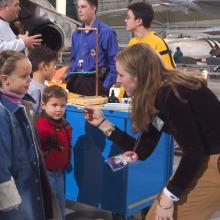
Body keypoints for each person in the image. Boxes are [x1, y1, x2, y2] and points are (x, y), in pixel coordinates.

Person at [84, 44, 220, 220]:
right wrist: (103, 124)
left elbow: (193, 153)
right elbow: (142, 150)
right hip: (205, 160)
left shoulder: (171, 94)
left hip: (212, 163)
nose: (117, 80)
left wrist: (168, 197)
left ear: (138, 75)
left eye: (121, 74)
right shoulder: (162, 95)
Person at [0, 50, 61, 220]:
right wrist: (9, 206)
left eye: (30, 75)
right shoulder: (3, 113)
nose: (30, 80)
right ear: (5, 79)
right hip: (16, 195)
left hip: (30, 184)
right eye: (24, 76)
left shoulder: (26, 105)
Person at [66, 0, 119, 96]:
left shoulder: (106, 32)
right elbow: (73, 59)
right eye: (78, 7)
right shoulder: (76, 34)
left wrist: (105, 86)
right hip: (76, 82)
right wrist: (69, 78)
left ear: (93, 8)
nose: (79, 10)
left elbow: (114, 62)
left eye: (83, 7)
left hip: (96, 83)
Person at [35, 85, 72, 220]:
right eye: (54, 105)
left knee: (59, 200)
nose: (59, 109)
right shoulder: (40, 126)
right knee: (49, 202)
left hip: (59, 171)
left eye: (62, 105)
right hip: (46, 172)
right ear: (43, 105)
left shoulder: (63, 123)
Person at [125, 2, 175, 69]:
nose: (125, 20)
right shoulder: (132, 42)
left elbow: (170, 73)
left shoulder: (158, 42)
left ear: (139, 21)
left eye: (128, 17)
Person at [28, 46, 58, 113]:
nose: (55, 70)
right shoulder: (36, 91)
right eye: (54, 66)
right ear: (44, 66)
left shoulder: (29, 86)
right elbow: (32, 119)